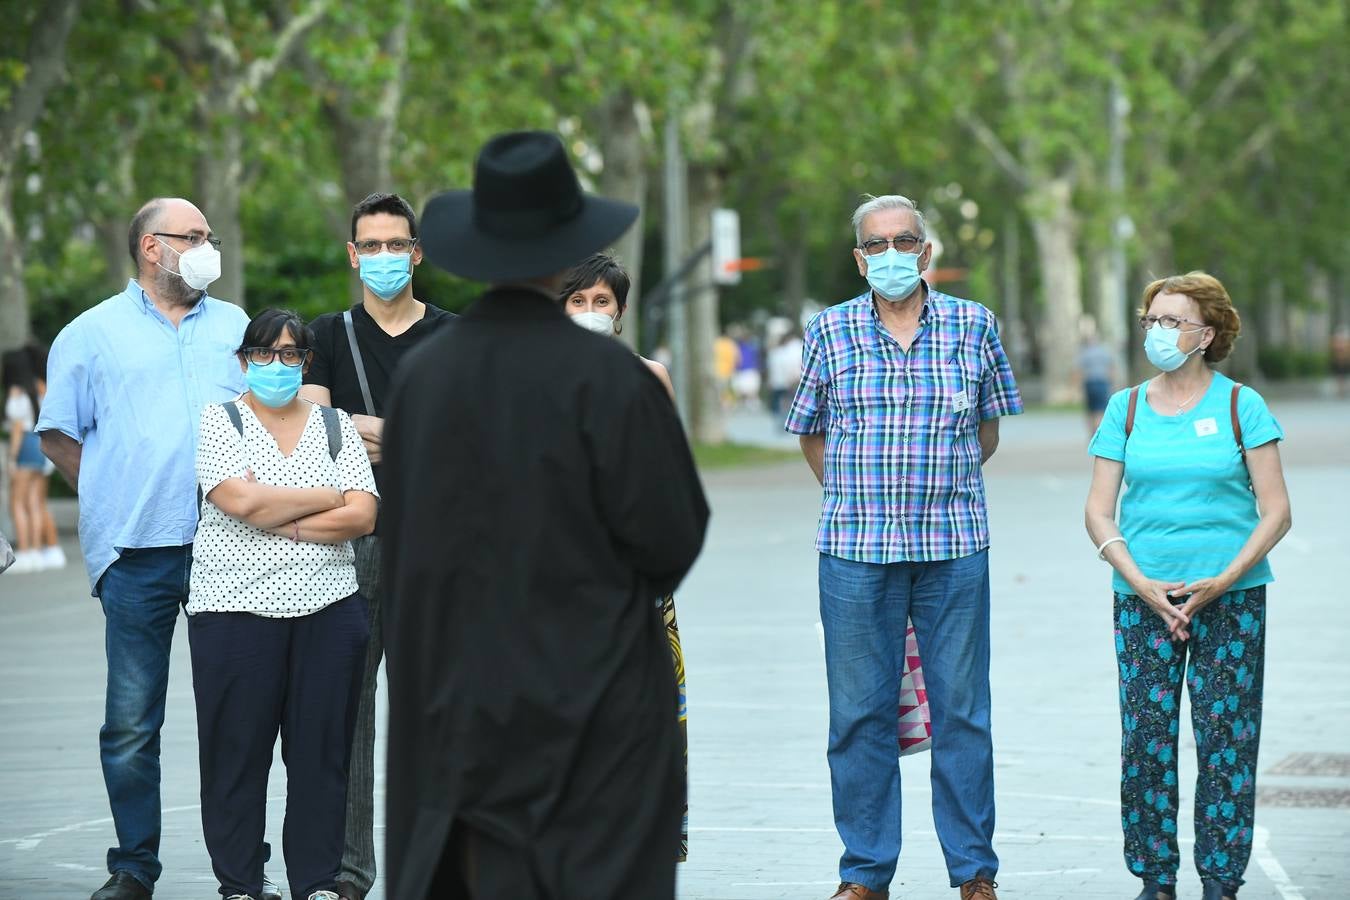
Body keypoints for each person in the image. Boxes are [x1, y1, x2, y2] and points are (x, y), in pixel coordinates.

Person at [379, 130, 709, 900]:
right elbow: (672, 538)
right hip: (598, 712)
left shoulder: (425, 379)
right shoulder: (612, 380)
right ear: (567, 255)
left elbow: (406, 546)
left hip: (462, 711)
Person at [784, 194, 1022, 900]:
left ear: (926, 249)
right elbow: (810, 432)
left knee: (962, 711)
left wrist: (934, 486)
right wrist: (859, 494)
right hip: (855, 551)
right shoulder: (829, 332)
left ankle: (974, 873)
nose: (892, 254)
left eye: (905, 240)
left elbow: (987, 431)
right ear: (860, 258)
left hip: (953, 547)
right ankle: (865, 873)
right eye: (876, 244)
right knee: (859, 715)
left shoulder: (973, 325)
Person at [35, 198, 258, 900]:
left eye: (209, 237)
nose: (205, 248)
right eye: (193, 237)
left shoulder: (236, 328)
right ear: (151, 248)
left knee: (240, 714)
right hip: (136, 554)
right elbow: (57, 435)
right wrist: (110, 491)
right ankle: (134, 868)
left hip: (233, 547)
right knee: (133, 721)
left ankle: (240, 875)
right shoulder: (87, 334)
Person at [1085, 272, 1291, 900]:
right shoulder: (1124, 408)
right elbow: (1098, 510)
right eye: (1152, 320)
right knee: (1146, 740)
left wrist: (1225, 580)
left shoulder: (1240, 406)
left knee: (1227, 740)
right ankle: (1155, 877)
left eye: (1172, 321)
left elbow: (1277, 510)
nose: (1158, 331)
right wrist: (1141, 582)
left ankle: (1221, 880)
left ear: (1206, 333)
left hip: (1231, 600)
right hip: (1143, 599)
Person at [298, 191, 455, 900]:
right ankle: (349, 872)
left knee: (440, 715)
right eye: (373, 246)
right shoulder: (328, 334)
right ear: (354, 255)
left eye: (399, 245)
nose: (386, 258)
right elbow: (317, 432)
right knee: (348, 717)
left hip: (441, 548)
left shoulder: (454, 335)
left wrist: (369, 427)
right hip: (352, 544)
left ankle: (441, 867)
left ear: (417, 253)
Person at [190, 308, 378, 900]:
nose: (278, 365)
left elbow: (363, 514)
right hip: (233, 612)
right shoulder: (220, 422)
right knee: (236, 751)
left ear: (306, 363)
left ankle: (318, 881)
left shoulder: (335, 426)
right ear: (244, 361)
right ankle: (241, 883)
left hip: (328, 609)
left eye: (291, 355)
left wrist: (284, 514)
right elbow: (240, 503)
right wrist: (326, 496)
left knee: (322, 754)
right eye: (265, 355)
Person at [559, 251, 688, 860]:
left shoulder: (650, 376)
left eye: (601, 301)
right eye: (578, 301)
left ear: (621, 311)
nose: (589, 311)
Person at [4, 344, 64, 573]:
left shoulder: (18, 391)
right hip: (41, 444)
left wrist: (11, 458)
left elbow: (18, 427)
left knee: (17, 503)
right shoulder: (42, 388)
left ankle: (26, 553)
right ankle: (39, 551)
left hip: (25, 445)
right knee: (37, 503)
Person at [1077, 330, 1117, 434]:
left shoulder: (1084, 352)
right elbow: (1111, 368)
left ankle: (1092, 432)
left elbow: (1079, 371)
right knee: (1100, 410)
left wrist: (1077, 386)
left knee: (1091, 410)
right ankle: (1098, 431)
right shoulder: (1104, 351)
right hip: (1102, 383)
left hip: (1089, 383)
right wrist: (1112, 383)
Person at [767, 330, 804, 417]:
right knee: (788, 398)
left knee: (780, 398)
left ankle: (780, 415)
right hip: (787, 379)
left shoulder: (779, 352)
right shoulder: (785, 351)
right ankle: (786, 415)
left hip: (783, 379)